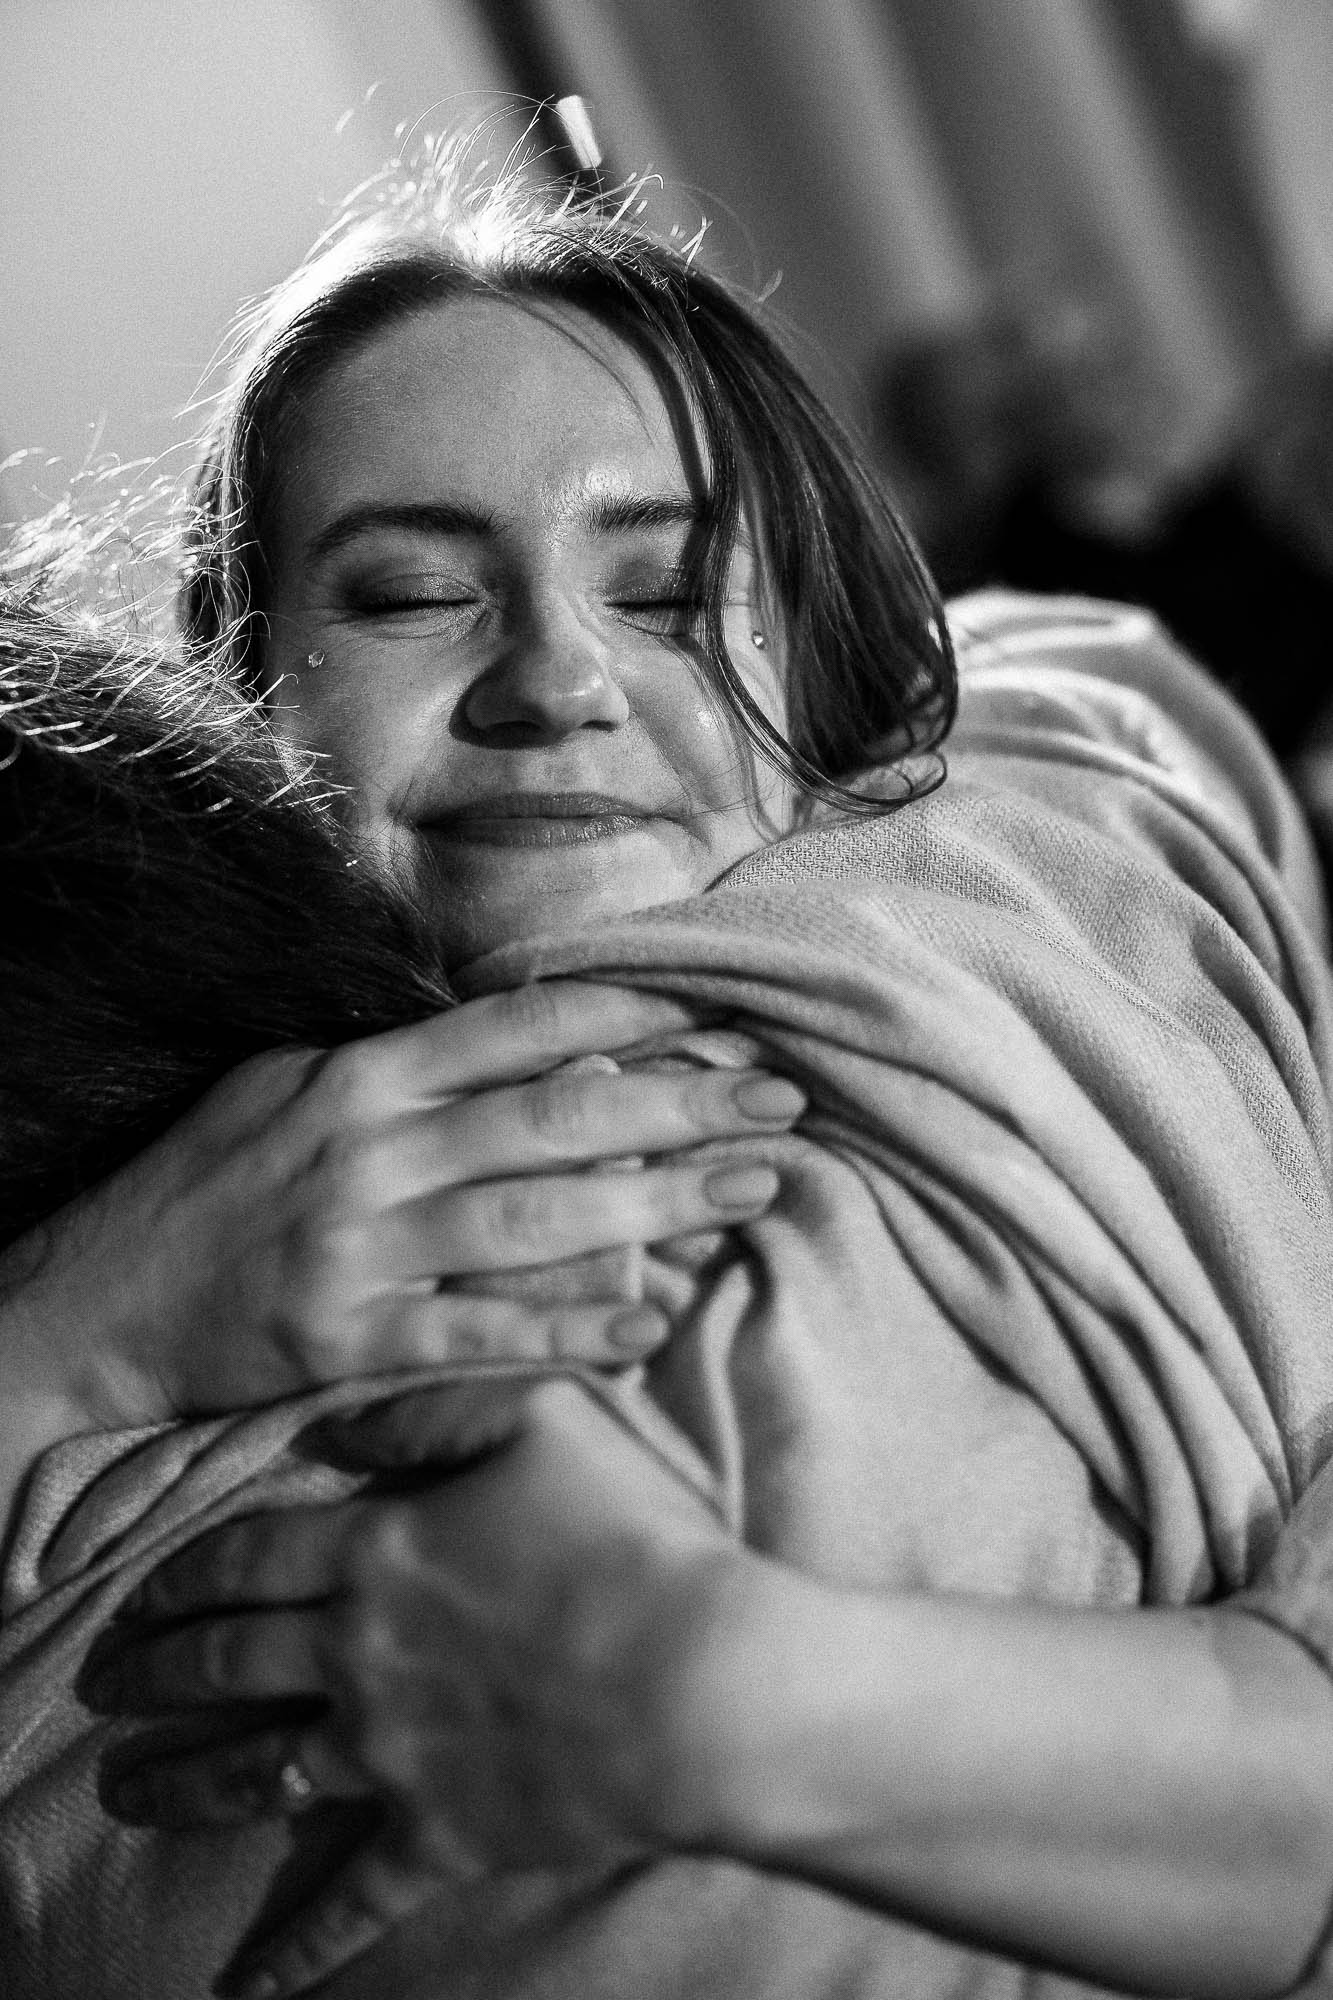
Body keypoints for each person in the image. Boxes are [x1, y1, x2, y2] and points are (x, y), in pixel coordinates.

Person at [4, 134, 1333, 2000]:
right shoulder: (131, 1182)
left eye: (668, 592)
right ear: (235, 684)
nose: (557, 679)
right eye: (408, 593)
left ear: (829, 678)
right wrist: (79, 1327)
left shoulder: (1035, 836)